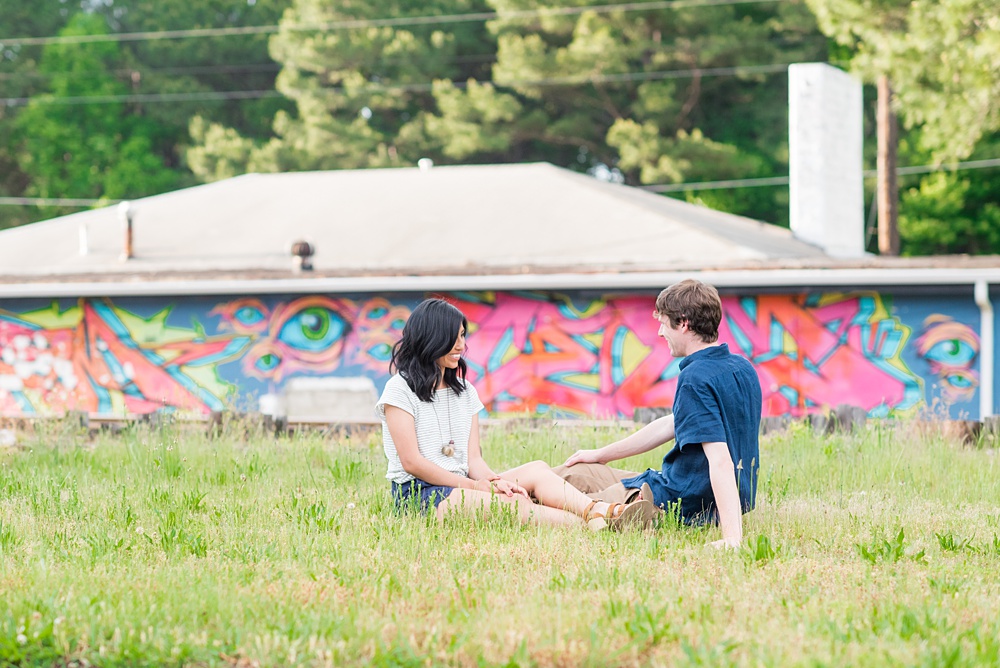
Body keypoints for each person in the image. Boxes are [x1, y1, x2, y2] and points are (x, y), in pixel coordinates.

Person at [376, 298, 657, 530]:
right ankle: (599, 525)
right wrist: (477, 487)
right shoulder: (399, 390)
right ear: (432, 338)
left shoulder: (465, 391)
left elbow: (474, 459)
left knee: (536, 469)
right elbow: (411, 462)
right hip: (421, 494)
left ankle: (600, 510)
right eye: (454, 337)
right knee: (513, 506)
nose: (461, 346)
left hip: (466, 484)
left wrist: (498, 483)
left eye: (463, 336)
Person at [555, 279, 762, 548]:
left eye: (664, 323)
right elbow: (674, 424)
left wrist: (732, 538)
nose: (660, 332)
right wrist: (599, 455)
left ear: (684, 323)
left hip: (676, 501)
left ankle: (492, 495)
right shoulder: (742, 368)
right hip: (693, 492)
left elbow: (721, 460)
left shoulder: (695, 378)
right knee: (579, 471)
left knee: (552, 490)